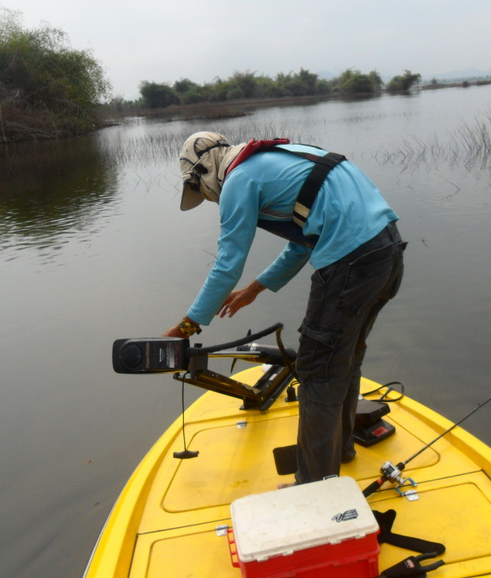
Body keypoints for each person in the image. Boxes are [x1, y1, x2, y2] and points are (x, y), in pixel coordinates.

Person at [163, 131, 406, 485]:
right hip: (388, 253)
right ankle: (339, 451)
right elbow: (301, 245)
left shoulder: (239, 178)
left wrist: (186, 327)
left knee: (317, 371)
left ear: (203, 170)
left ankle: (313, 485)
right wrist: (256, 289)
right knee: (346, 356)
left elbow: (227, 264)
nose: (210, 198)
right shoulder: (281, 158)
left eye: (200, 189)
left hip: (350, 264)